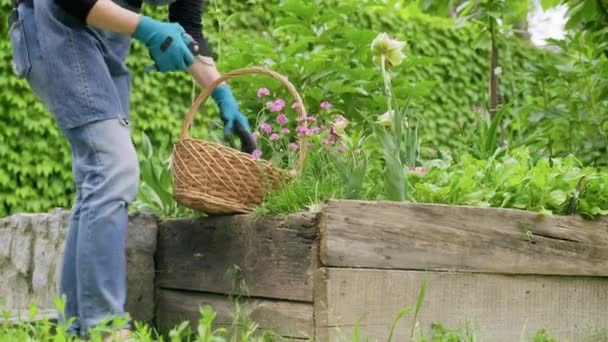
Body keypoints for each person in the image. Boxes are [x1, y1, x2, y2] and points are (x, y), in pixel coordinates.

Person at [8, 0, 254, 339]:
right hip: (57, 23)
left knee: (98, 178)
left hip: (108, 36)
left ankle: (74, 327)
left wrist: (221, 92)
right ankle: (105, 327)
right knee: (112, 167)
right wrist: (148, 28)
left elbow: (188, 31)